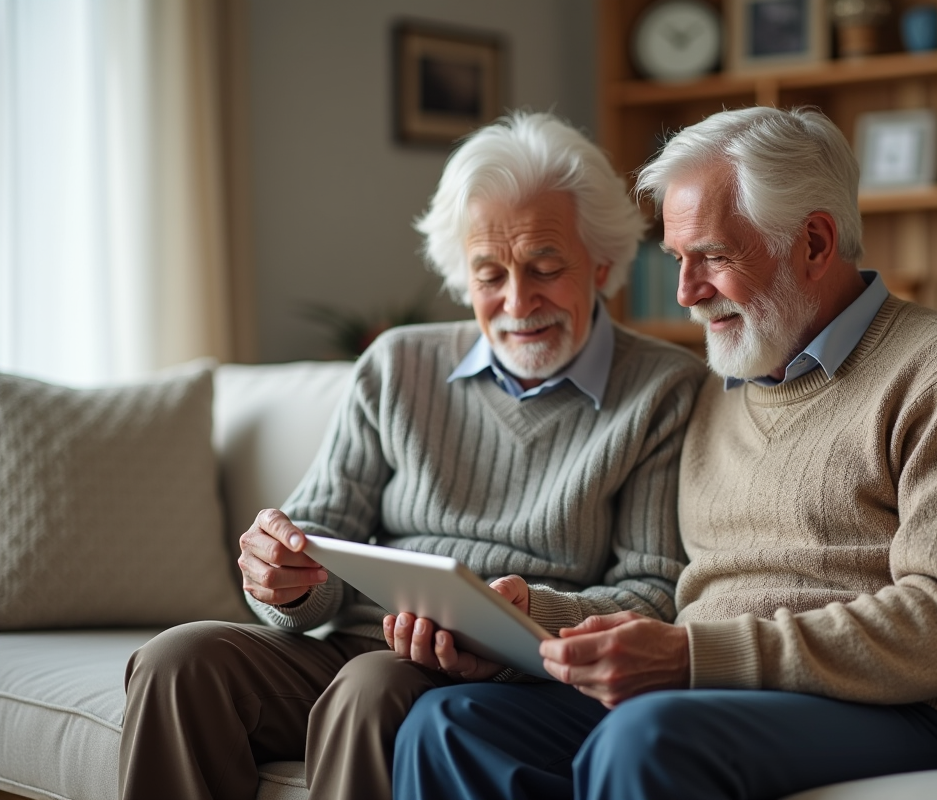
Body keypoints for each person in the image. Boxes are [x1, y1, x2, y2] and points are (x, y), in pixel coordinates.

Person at [390, 106, 937, 800]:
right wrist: (525, 618)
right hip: (704, 688)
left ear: (815, 243)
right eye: (678, 260)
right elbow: (674, 600)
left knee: (647, 737)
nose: (685, 294)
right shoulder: (716, 391)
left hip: (896, 709)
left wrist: (695, 656)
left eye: (711, 257)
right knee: (448, 722)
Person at [117, 111, 707, 800]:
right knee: (177, 660)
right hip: (358, 640)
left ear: (602, 264)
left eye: (546, 268)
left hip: (497, 672)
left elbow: (653, 593)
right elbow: (319, 537)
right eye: (490, 275)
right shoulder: (400, 363)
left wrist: (526, 615)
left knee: (372, 687)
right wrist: (286, 577)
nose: (518, 302)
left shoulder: (664, 390)